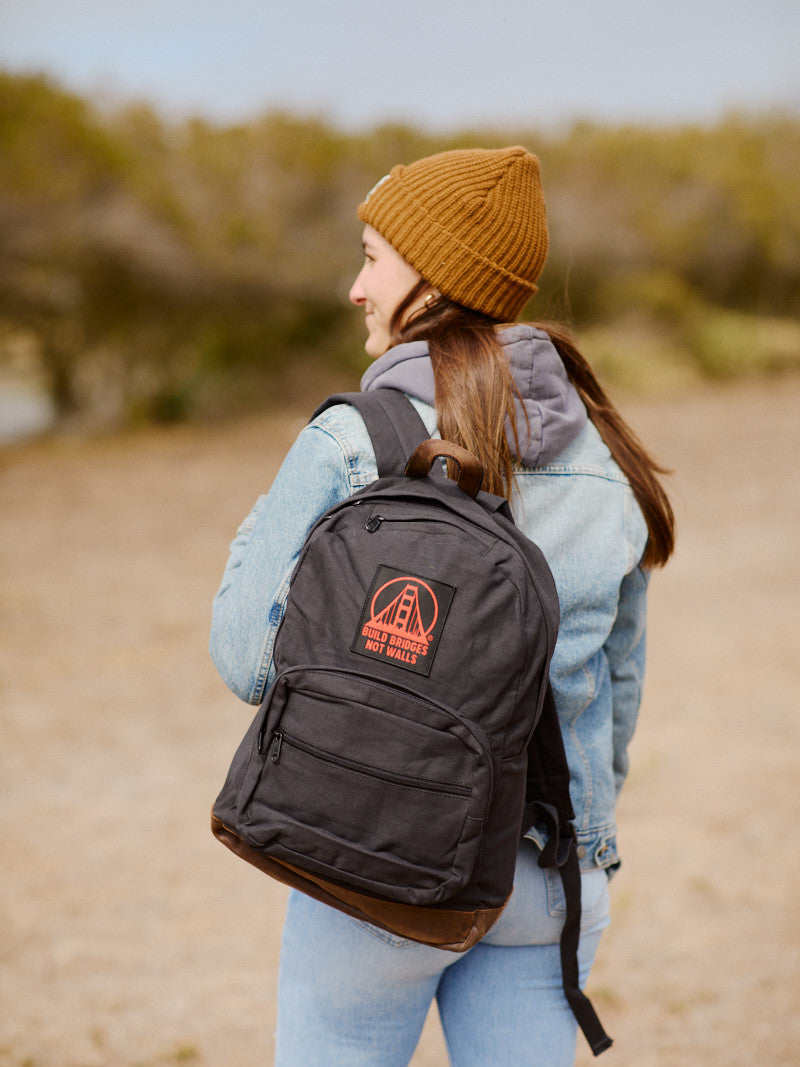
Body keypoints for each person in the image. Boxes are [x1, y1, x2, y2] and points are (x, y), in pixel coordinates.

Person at [210, 145, 675, 1066]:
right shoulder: (606, 445)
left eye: (374, 257)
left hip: (379, 865)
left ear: (437, 277)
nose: (356, 286)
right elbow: (615, 691)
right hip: (553, 876)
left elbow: (245, 659)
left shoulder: (358, 438)